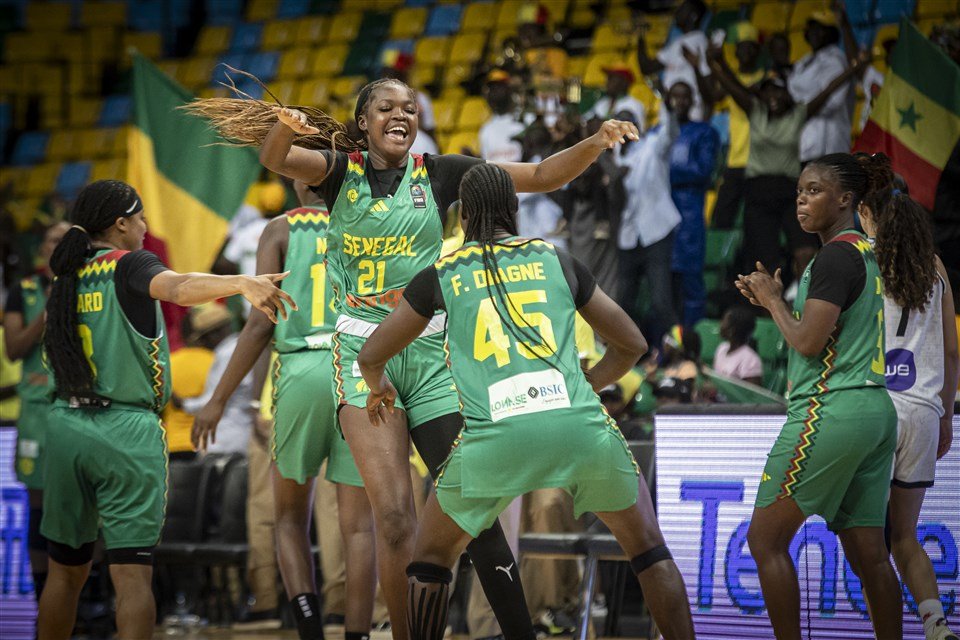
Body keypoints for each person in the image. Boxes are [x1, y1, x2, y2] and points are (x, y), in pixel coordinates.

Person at [224, 76, 638, 636]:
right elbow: (277, 159)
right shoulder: (339, 171)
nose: (401, 115)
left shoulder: (439, 173)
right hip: (362, 353)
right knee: (395, 519)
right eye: (387, 108)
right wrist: (283, 126)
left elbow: (541, 177)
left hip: (429, 352)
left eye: (410, 108)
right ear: (364, 120)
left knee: (479, 512)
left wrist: (594, 142)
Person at [355, 163, 694, 640]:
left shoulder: (441, 274)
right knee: (649, 550)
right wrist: (588, 385)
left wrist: (379, 385)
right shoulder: (556, 258)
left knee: (429, 562)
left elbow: (371, 355)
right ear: (515, 208)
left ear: (463, 217)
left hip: (493, 439)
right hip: (577, 427)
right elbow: (633, 345)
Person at [37, 179, 293, 640]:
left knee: (64, 573)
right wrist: (240, 282)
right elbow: (178, 287)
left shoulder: (66, 276)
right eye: (140, 217)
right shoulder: (130, 264)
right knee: (132, 576)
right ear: (120, 224)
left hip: (65, 425)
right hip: (124, 429)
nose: (145, 226)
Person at [193, 181, 375, 640]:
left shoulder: (279, 229)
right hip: (357, 370)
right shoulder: (371, 221)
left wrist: (218, 400)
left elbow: (258, 325)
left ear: (299, 179)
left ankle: (309, 630)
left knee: (290, 518)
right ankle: (356, 632)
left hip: (300, 372)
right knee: (357, 527)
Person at [736, 155, 902, 639]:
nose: (802, 201)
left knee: (765, 542)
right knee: (870, 554)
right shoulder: (866, 252)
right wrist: (775, 303)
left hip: (831, 411)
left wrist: (771, 300)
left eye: (814, 191)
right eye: (799, 193)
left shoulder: (832, 256)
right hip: (875, 412)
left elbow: (808, 343)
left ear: (846, 200)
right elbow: (824, 335)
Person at [856, 153, 959, 640]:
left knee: (864, 540)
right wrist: (947, 415)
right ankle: (936, 625)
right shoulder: (936, 269)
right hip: (922, 409)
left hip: (876, 407)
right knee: (905, 538)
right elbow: (953, 352)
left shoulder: (862, 260)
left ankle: (887, 631)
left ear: (867, 214)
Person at [707, 41, 867, 286]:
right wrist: (715, 62)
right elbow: (733, 86)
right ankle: (769, 314)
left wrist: (853, 69)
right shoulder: (755, 111)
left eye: (778, 91)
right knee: (763, 260)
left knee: (805, 251)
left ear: (787, 94)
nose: (773, 97)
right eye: (768, 91)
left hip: (789, 192)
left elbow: (827, 91)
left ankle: (808, 302)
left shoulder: (798, 114)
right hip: (758, 194)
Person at [3, 220, 69, 593]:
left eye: (64, 239)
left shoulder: (90, 286)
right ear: (41, 248)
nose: (56, 245)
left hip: (76, 406)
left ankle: (89, 595)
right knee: (39, 504)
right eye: (50, 239)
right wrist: (47, 312)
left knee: (81, 503)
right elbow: (14, 349)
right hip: (36, 413)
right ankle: (43, 593)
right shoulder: (24, 290)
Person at [616, 105, 680, 347]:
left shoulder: (652, 146)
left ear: (637, 128)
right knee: (623, 302)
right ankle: (632, 354)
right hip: (627, 236)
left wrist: (666, 102)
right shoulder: (610, 157)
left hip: (656, 232)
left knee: (661, 301)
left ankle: (680, 351)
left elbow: (671, 132)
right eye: (617, 125)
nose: (622, 130)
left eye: (628, 124)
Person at [667, 80, 719, 326]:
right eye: (675, 96)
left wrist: (666, 173)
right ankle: (666, 342)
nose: (680, 102)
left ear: (692, 101)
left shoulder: (704, 132)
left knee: (690, 278)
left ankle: (691, 340)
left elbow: (704, 171)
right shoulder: (659, 131)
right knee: (664, 283)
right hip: (661, 213)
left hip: (689, 212)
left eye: (685, 97)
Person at [709, 22, 764, 229]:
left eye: (750, 46)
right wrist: (704, 65)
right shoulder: (730, 80)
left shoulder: (766, 79)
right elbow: (711, 97)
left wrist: (720, 64)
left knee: (755, 220)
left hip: (759, 162)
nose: (745, 51)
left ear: (758, 51)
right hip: (736, 160)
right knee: (721, 218)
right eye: (741, 46)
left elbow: (744, 94)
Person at [788, 10, 857, 163]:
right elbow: (789, 93)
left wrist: (799, 103)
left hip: (828, 147)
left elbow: (832, 102)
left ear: (830, 33)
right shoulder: (805, 61)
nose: (813, 33)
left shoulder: (835, 61)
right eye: (811, 29)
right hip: (805, 146)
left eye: (820, 29)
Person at [637, 0, 712, 121]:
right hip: (675, 113)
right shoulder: (689, 41)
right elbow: (647, 69)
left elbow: (646, 67)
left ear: (693, 16)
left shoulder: (694, 42)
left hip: (689, 115)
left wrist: (640, 34)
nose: (677, 12)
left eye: (683, 9)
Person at [478, 71, 525, 163]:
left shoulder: (525, 121)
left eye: (499, 87)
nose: (494, 93)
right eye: (491, 89)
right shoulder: (486, 130)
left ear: (510, 90)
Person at [713, 306, 762, 385]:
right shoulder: (721, 348)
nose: (720, 324)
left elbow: (753, 395)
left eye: (723, 321)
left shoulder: (750, 359)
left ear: (732, 330)